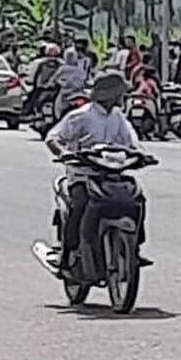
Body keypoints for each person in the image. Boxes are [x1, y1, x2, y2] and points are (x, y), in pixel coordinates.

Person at [45, 70, 146, 274]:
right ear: (109, 94)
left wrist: (140, 155)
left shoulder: (118, 117)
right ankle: (67, 253)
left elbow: (131, 142)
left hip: (113, 174)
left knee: (137, 199)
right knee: (80, 205)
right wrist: (63, 153)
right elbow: (53, 138)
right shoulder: (81, 115)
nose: (122, 96)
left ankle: (134, 248)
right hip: (82, 175)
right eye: (120, 92)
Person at [23, 42, 63, 117]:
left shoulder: (38, 62)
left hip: (43, 89)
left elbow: (31, 77)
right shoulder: (62, 63)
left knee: (32, 104)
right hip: (56, 90)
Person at [53, 45, 88, 118]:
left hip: (66, 92)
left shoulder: (62, 68)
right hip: (77, 91)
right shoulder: (79, 69)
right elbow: (84, 79)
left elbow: (54, 79)